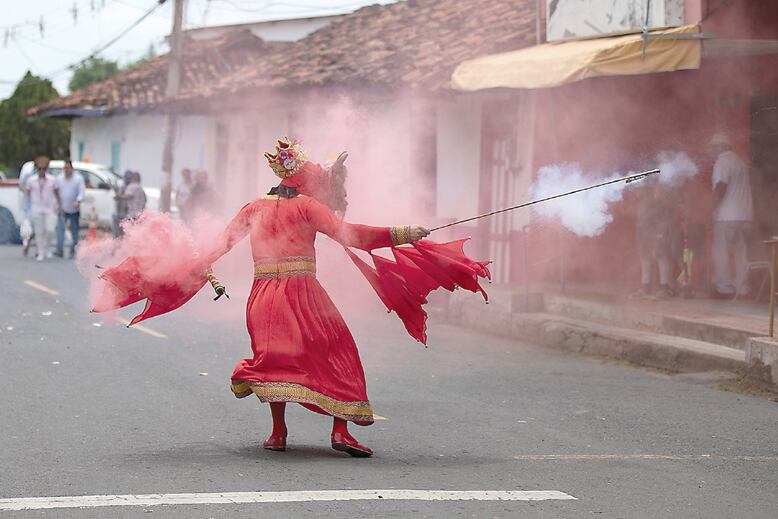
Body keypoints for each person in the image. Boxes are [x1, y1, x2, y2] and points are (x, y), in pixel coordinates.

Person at [92, 139, 490, 458]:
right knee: (339, 353)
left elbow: (214, 249)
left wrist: (169, 267)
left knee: (277, 361)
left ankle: (278, 433)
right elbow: (354, 236)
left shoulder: (253, 209)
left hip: (262, 298)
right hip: (302, 293)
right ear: (302, 179)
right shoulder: (308, 207)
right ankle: (340, 430)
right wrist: (402, 232)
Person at [709, 132, 754, 298]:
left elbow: (721, 187)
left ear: (719, 147)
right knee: (741, 253)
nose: (712, 150)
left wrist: (711, 209)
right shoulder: (740, 162)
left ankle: (724, 288)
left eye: (713, 147)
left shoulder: (722, 162)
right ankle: (743, 288)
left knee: (721, 251)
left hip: (726, 215)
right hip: (745, 215)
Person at [634, 179, 678, 298]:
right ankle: (646, 286)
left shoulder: (661, 198)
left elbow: (668, 212)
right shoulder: (644, 201)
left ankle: (665, 287)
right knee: (645, 256)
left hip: (658, 228)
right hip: (645, 228)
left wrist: (661, 230)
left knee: (661, 255)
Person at [24, 156, 62, 261]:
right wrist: (26, 209)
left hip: (49, 209)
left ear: (46, 169)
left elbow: (57, 194)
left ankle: (47, 248)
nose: (42, 171)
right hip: (36, 209)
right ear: (37, 169)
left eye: (44, 169)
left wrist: (59, 206)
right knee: (39, 232)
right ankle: (40, 252)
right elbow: (26, 195)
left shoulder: (52, 180)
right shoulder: (31, 180)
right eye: (39, 169)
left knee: (50, 230)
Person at [55, 160, 85, 259]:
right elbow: (56, 192)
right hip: (62, 208)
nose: (67, 170)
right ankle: (59, 250)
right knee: (60, 229)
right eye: (65, 168)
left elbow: (81, 192)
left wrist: (78, 201)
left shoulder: (78, 179)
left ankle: (73, 251)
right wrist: (57, 205)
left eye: (68, 168)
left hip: (74, 209)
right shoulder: (59, 178)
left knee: (74, 231)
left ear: (72, 169)